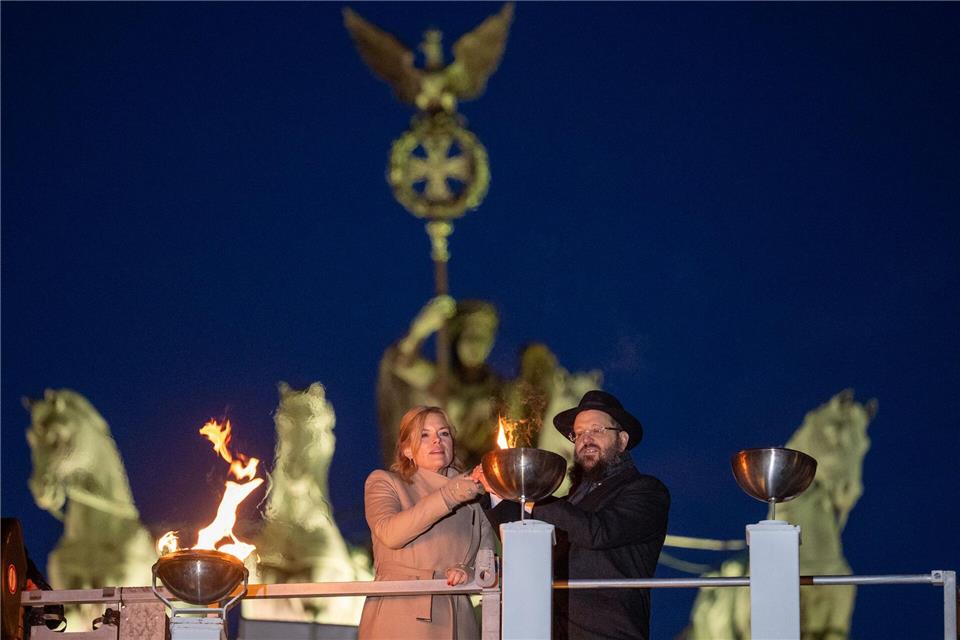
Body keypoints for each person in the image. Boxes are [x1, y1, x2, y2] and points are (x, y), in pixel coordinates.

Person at [480, 390, 670, 640]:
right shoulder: (572, 499)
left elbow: (597, 531)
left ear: (622, 441)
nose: (585, 439)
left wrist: (531, 493)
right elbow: (522, 531)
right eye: (578, 433)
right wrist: (497, 489)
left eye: (596, 430)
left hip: (608, 633)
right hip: (550, 629)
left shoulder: (646, 491)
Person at [358, 405, 495, 639]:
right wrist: (449, 495)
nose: (436, 441)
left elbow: (488, 562)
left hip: (459, 618)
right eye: (424, 434)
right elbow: (390, 533)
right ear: (407, 449)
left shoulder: (474, 499)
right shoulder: (385, 482)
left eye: (443, 433)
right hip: (400, 613)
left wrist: (468, 572)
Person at [377, 296, 503, 467]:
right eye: (470, 336)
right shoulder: (438, 380)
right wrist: (420, 330)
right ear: (457, 339)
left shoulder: (500, 390)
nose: (476, 346)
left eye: (482, 338)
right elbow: (402, 364)